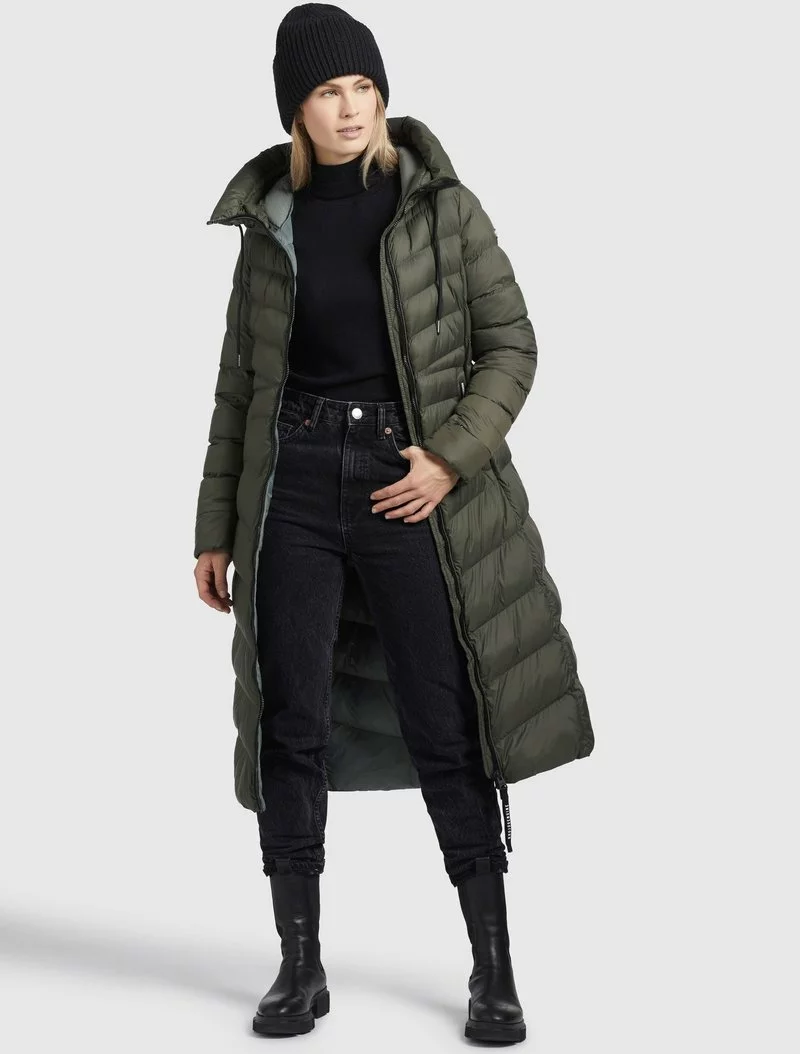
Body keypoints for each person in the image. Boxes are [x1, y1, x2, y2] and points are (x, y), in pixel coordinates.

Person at [192, 2, 594, 1042]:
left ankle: (493, 970)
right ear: (295, 108)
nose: (349, 108)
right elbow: (239, 385)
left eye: (363, 88)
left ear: (382, 96)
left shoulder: (440, 207)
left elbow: (512, 346)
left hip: (404, 480)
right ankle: (299, 966)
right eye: (327, 92)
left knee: (444, 717)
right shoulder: (270, 223)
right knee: (290, 721)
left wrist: (447, 457)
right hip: (291, 483)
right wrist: (213, 526)